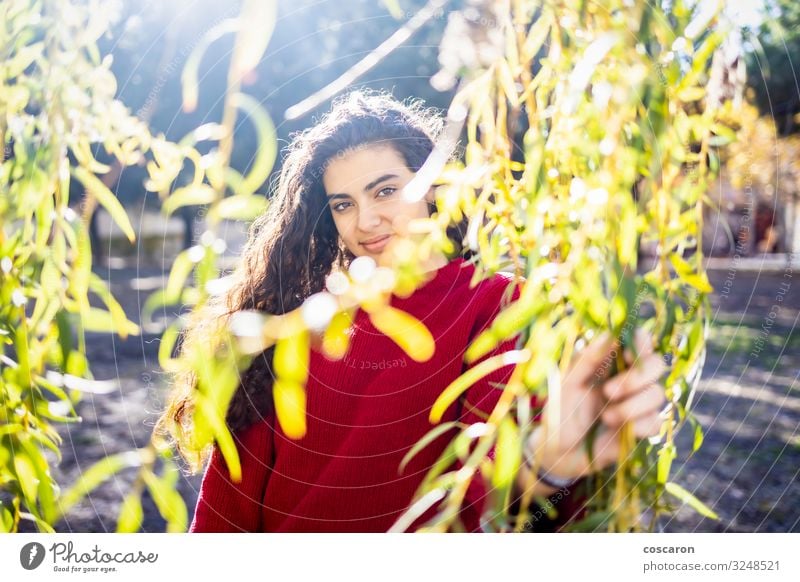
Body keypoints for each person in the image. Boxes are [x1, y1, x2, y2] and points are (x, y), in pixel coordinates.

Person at [159, 90, 667, 532]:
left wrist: (548, 465)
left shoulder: (496, 305)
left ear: (432, 186)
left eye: (385, 190)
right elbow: (227, 512)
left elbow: (495, 497)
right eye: (343, 204)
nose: (367, 220)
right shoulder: (294, 317)